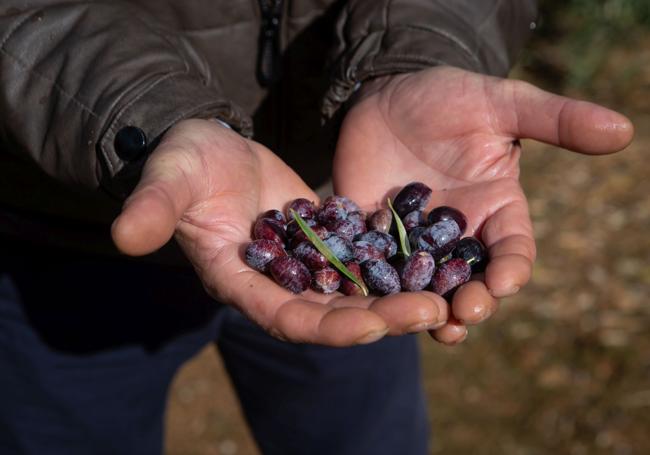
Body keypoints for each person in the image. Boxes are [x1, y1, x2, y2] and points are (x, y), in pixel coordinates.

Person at [0, 0, 633, 454]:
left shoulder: (352, 243)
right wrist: (144, 116)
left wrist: (418, 54)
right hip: (68, 226)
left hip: (339, 177)